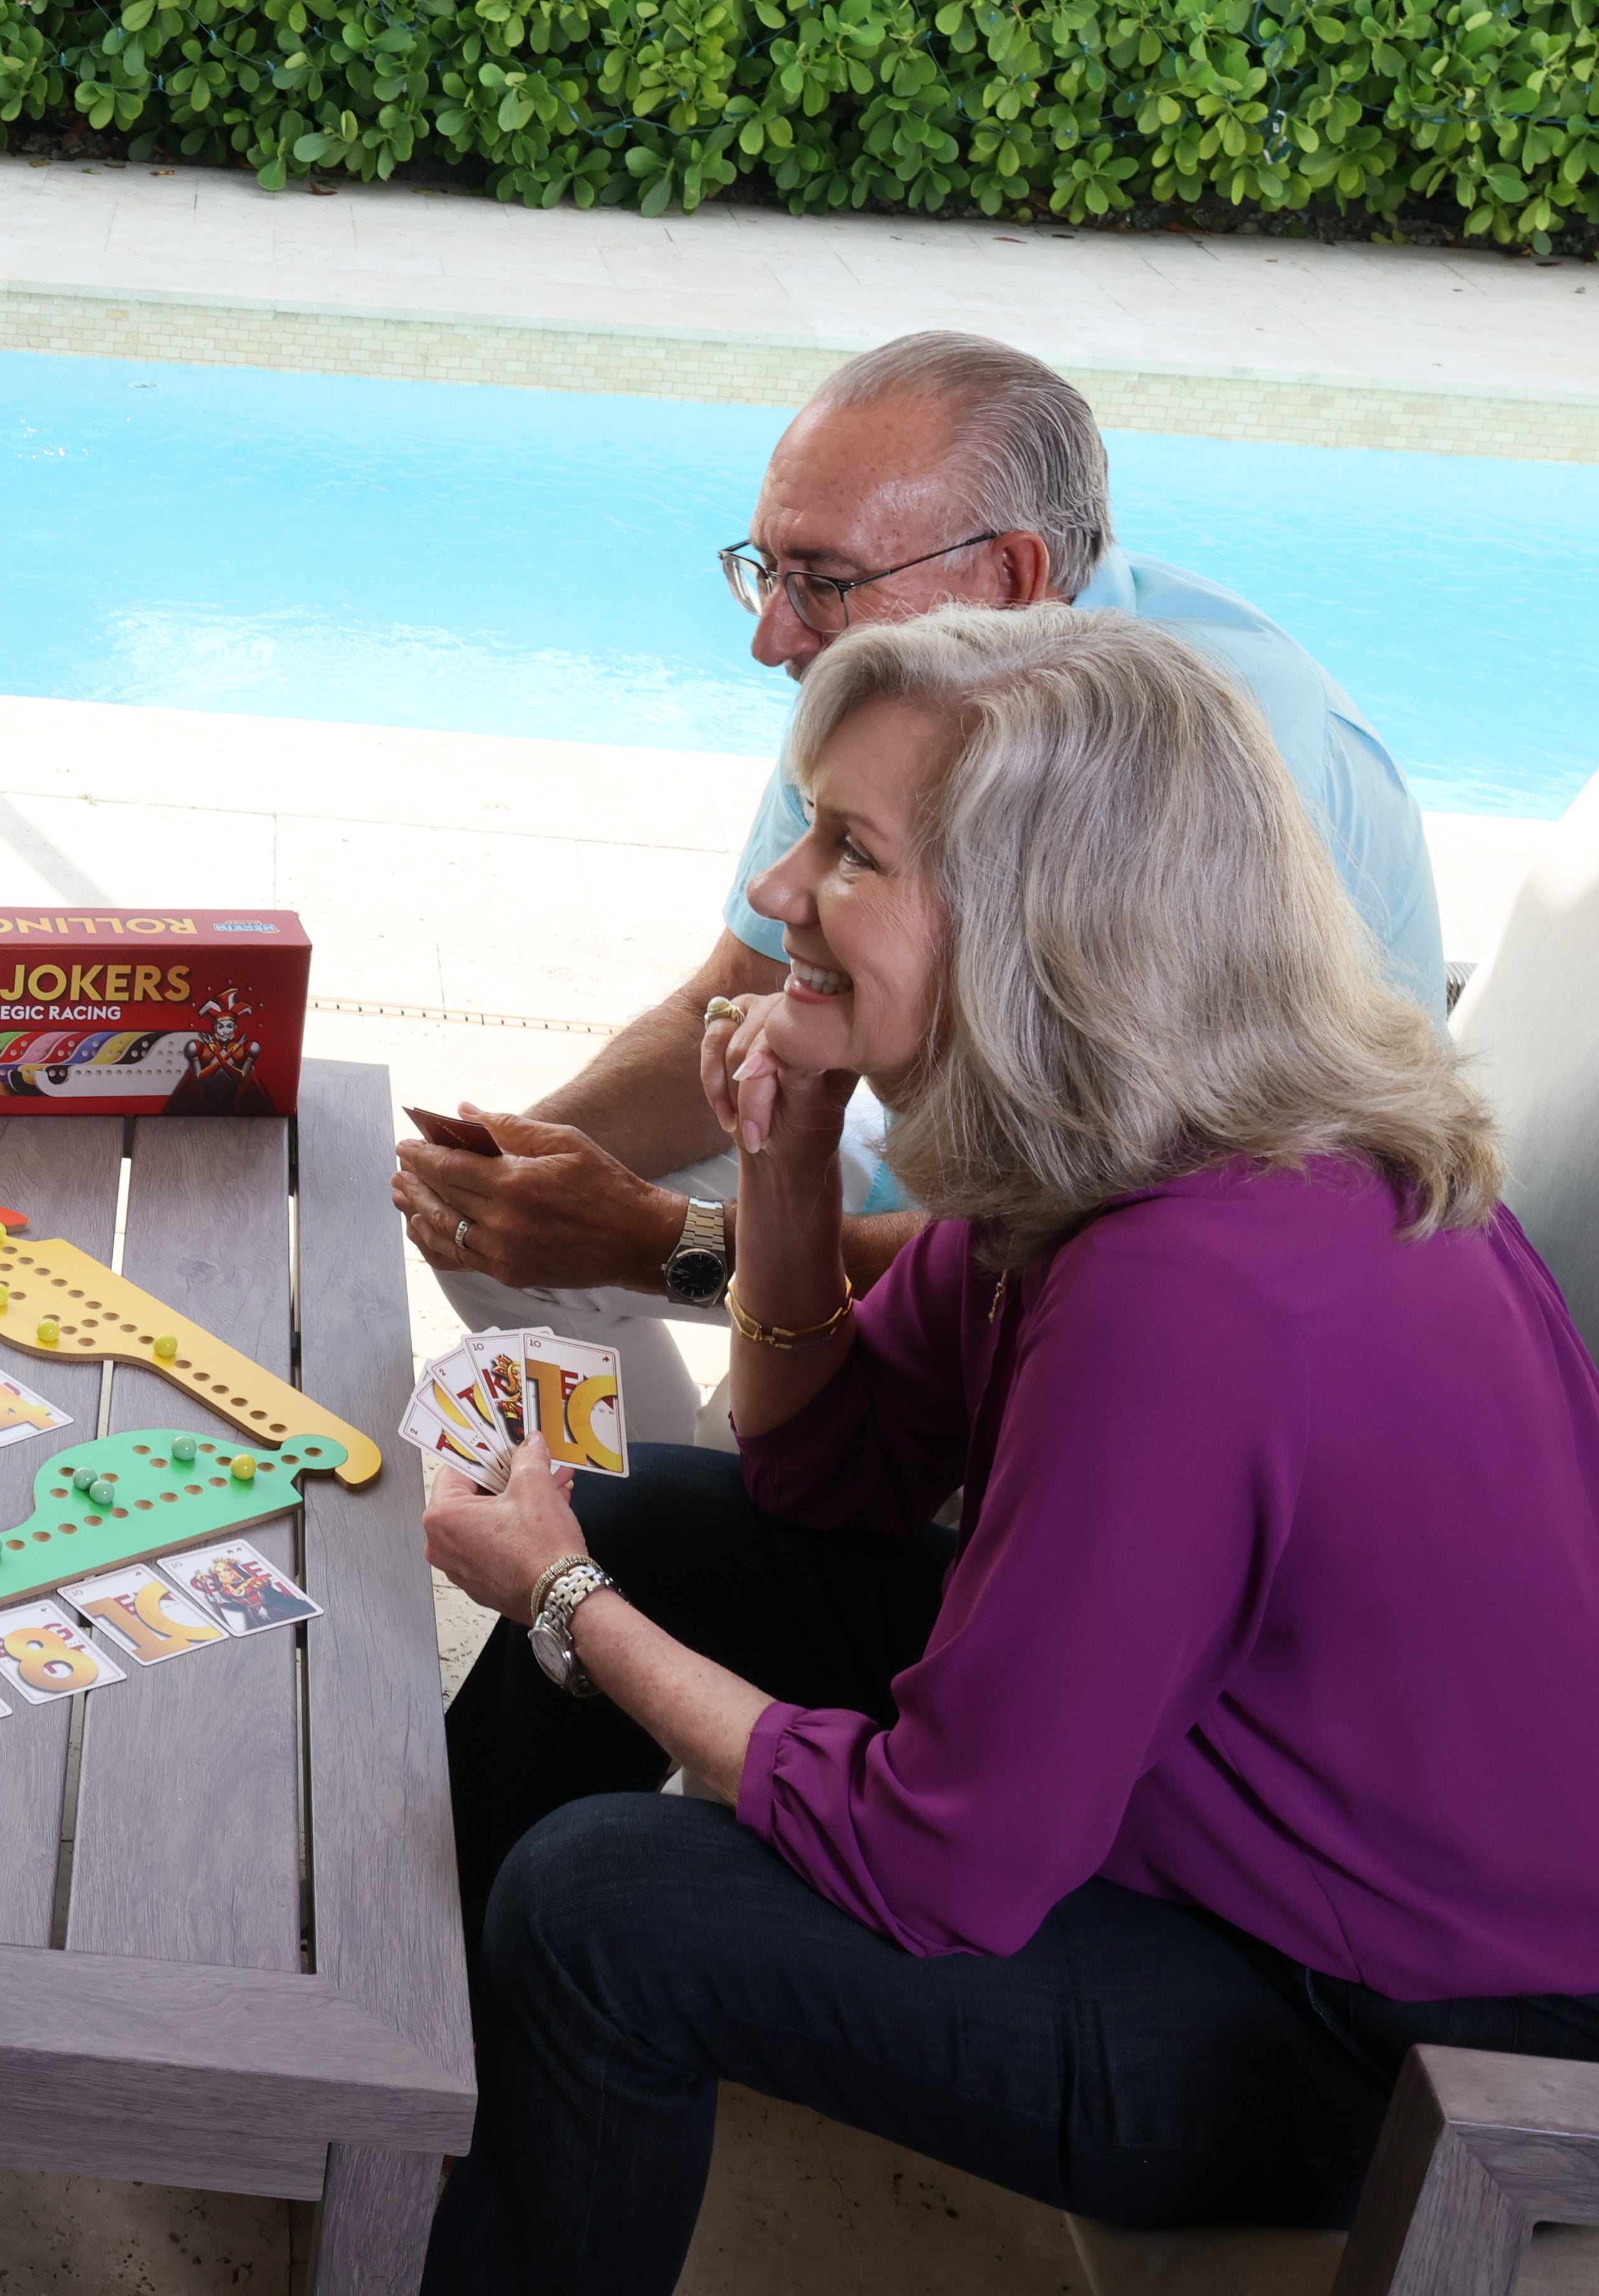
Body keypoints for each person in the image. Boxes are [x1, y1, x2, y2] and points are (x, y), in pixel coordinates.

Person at [417, 604, 1599, 2294]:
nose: (776, 896)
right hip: (1217, 1792)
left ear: (1036, 916)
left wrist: (567, 1609)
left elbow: (933, 1861)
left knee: (607, 1906)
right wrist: (788, 1149)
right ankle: (411, 2069)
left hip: (1397, 2035)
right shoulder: (1141, 1128)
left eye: (848, 850)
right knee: (645, 1518)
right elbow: (824, 1480)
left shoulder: (1186, 1293)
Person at [395, 332, 1444, 1446]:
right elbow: (742, 979)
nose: (770, 637)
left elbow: (1075, 1239)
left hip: (1139, 1273)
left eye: (826, 582)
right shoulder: (910, 680)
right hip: (944, 1144)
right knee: (497, 1239)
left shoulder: (1190, 764)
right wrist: (489, 1169)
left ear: (1012, 577)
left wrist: (660, 1240)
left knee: (753, 1445)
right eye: (766, 568)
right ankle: (631, 1543)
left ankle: (708, 1550)